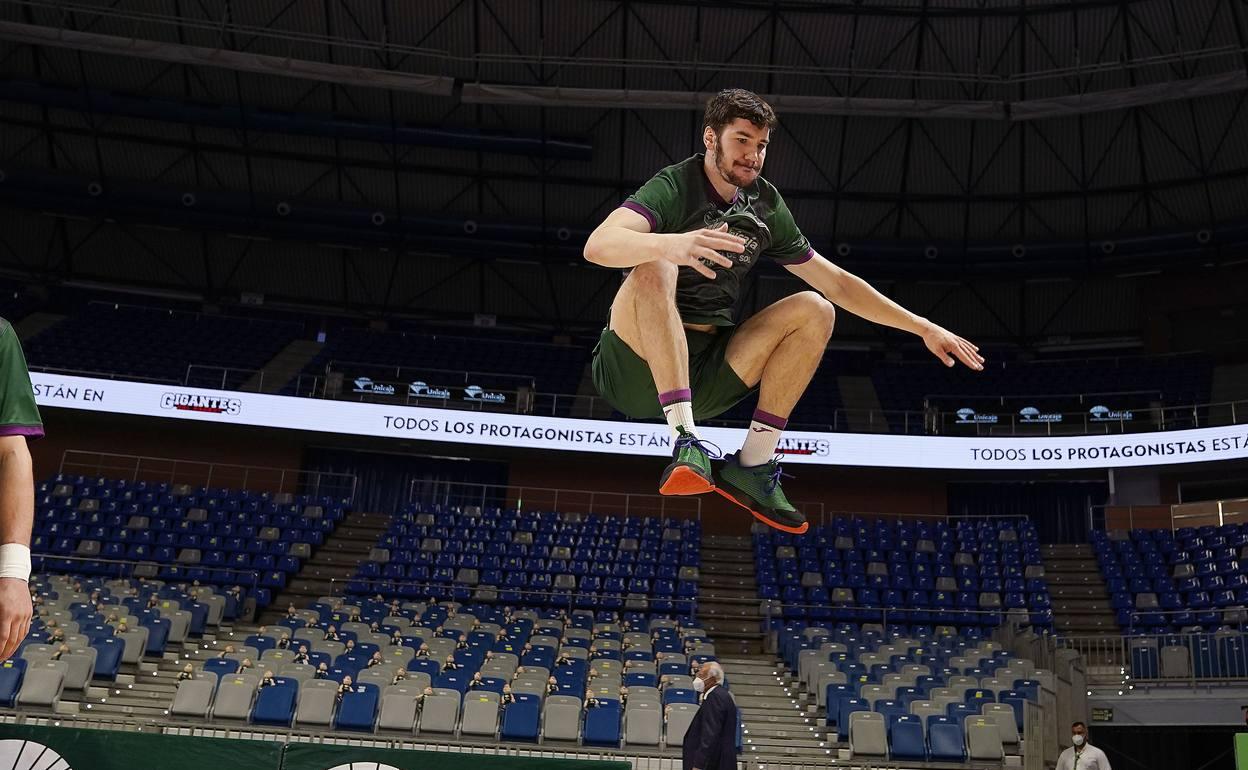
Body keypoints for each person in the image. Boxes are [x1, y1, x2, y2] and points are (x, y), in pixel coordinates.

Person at [584, 88, 982, 534]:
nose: (752, 156)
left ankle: (753, 464)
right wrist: (673, 243)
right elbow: (597, 246)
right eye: (741, 141)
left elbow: (837, 281)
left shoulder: (766, 205)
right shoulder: (675, 186)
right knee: (653, 264)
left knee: (817, 307)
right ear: (711, 138)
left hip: (707, 373)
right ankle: (685, 441)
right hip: (632, 367)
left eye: (761, 145)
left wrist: (922, 327)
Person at [682, 662, 736, 770]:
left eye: (701, 675)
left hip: (712, 763)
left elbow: (710, 734)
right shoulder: (720, 695)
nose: (697, 678)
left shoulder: (715, 697)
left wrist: (699, 764)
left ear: (712, 679)